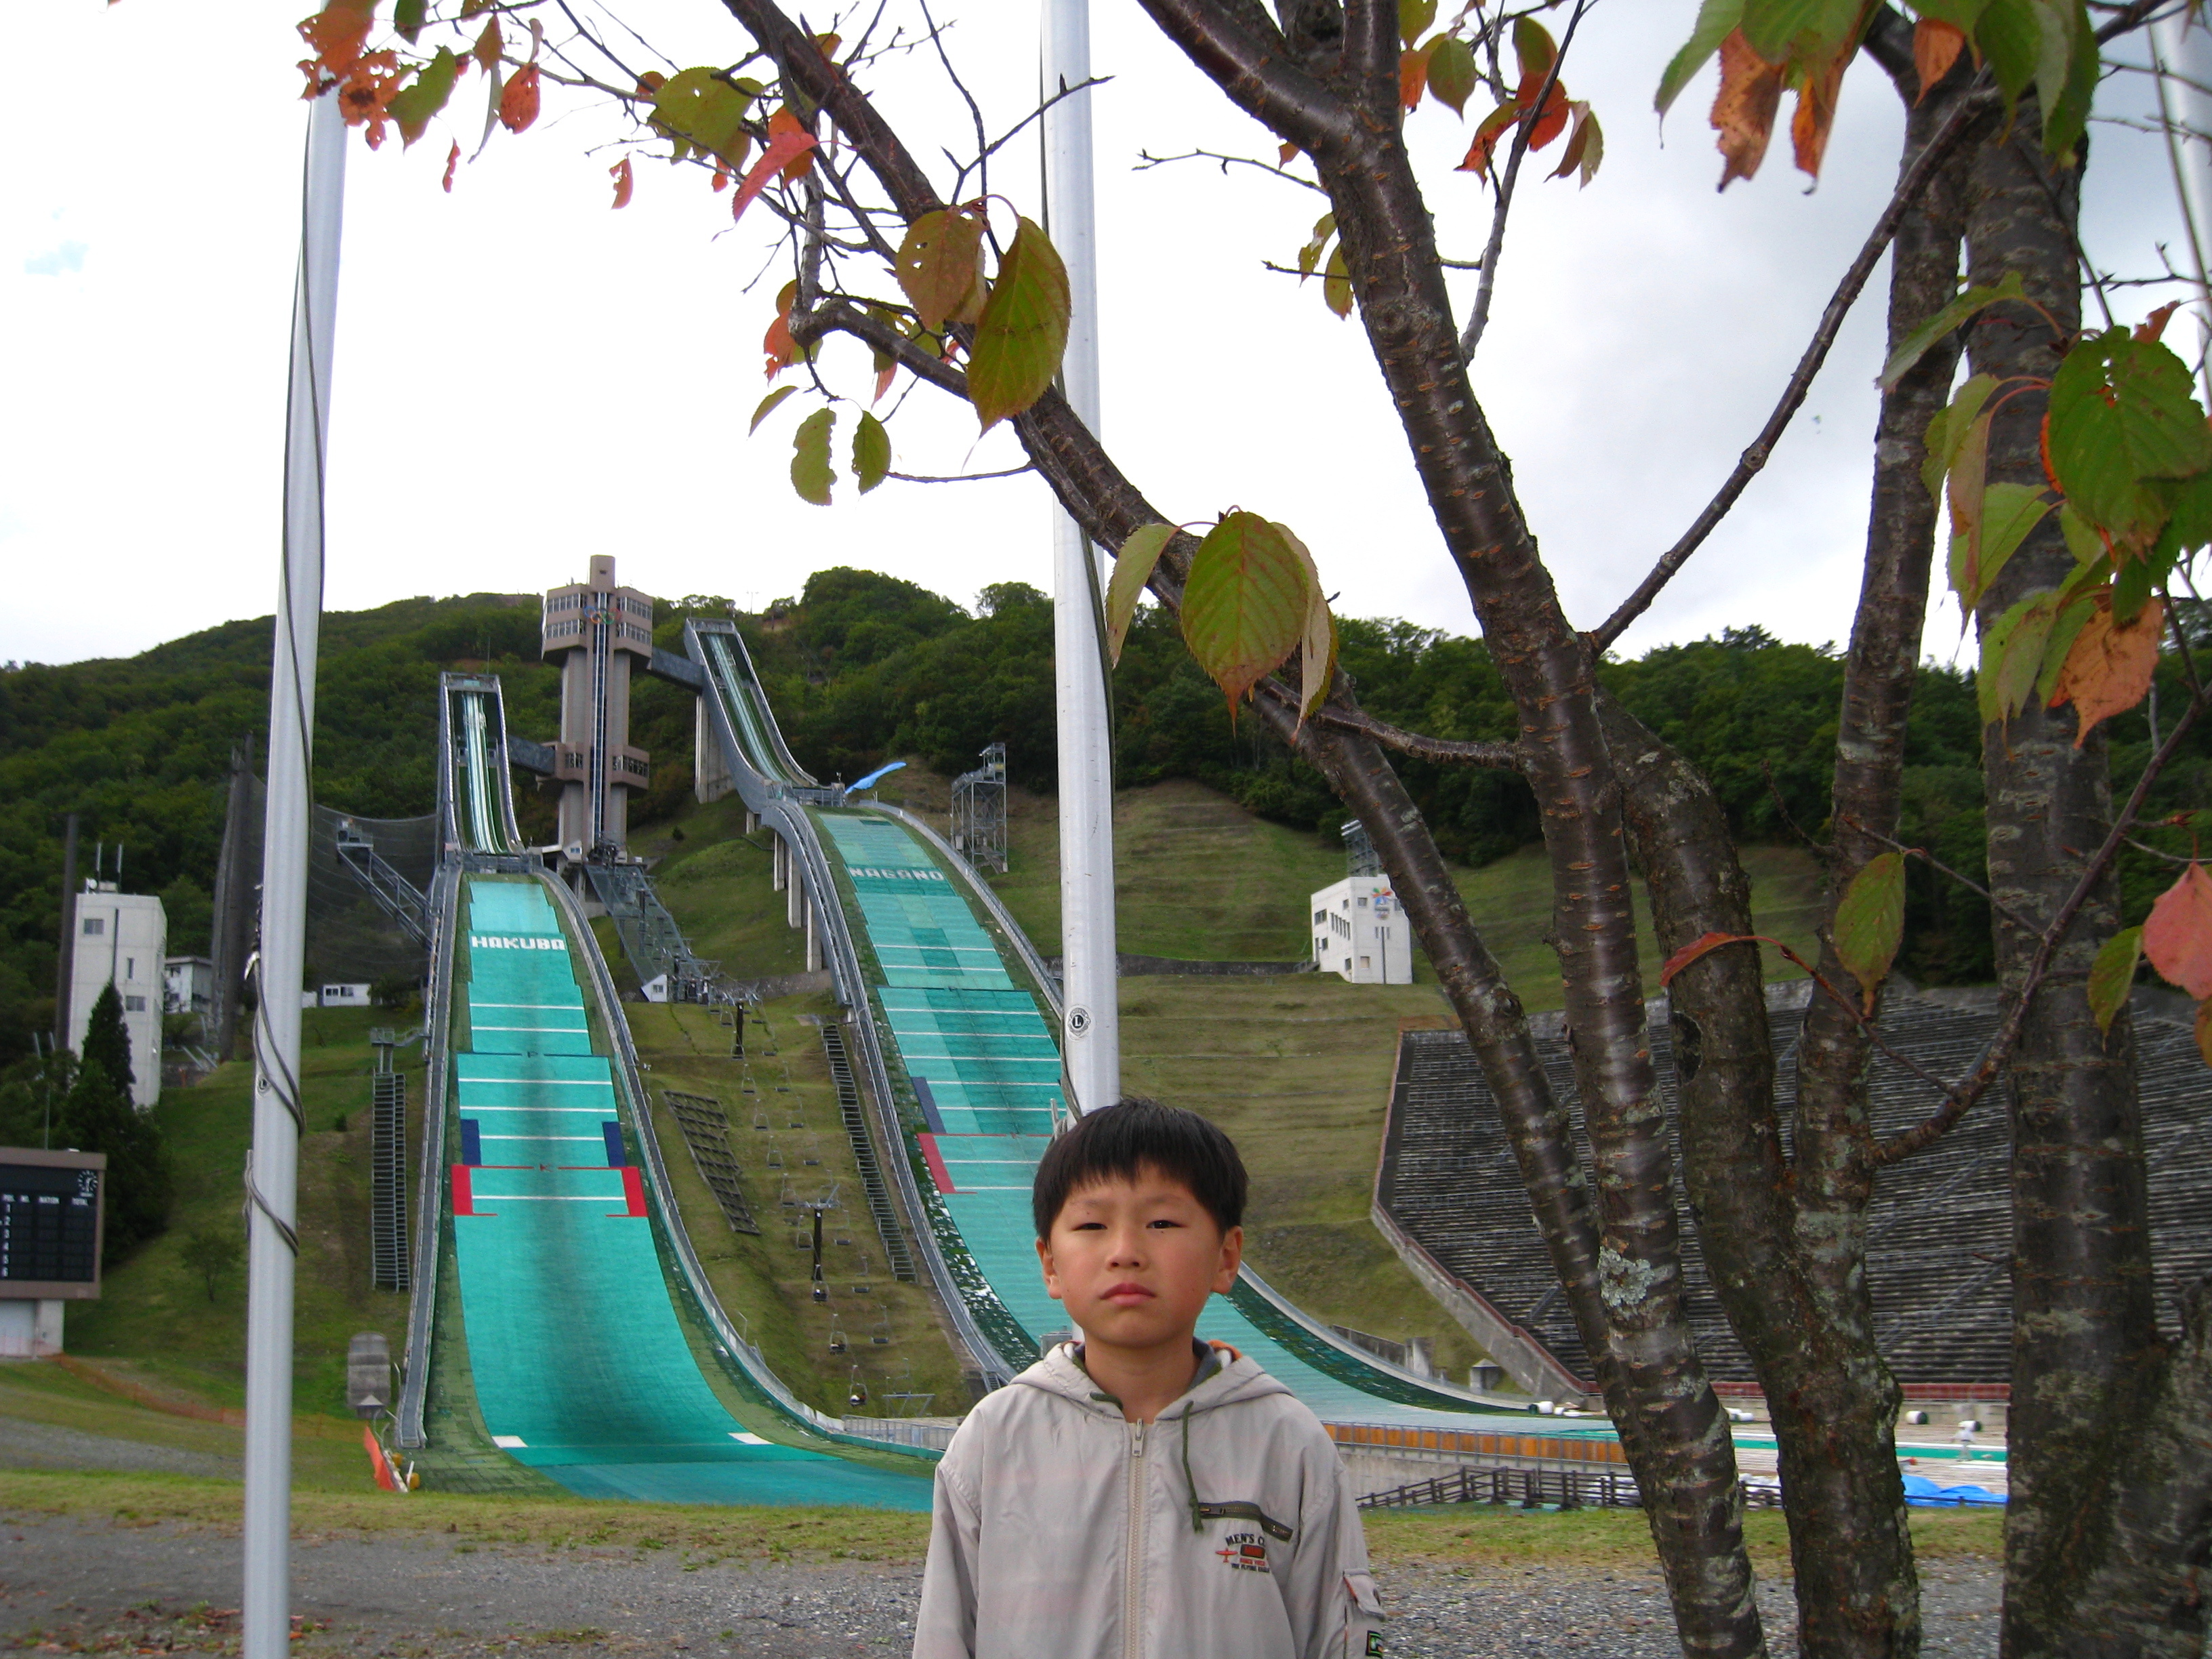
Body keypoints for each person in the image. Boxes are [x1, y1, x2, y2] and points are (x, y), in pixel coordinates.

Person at [913, 1097, 1384, 1659]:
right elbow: (945, 1636)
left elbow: (1338, 1638)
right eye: (1091, 1224)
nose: (1126, 1252)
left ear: (1226, 1257)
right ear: (1050, 1265)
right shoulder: (994, 1440)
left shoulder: (1289, 1445)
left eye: (1162, 1222)